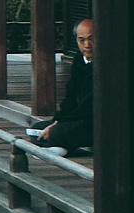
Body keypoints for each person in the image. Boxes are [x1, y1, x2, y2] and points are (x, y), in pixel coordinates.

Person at [27, 17, 94, 155]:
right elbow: (71, 95)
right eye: (82, 40)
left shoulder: (107, 62)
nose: (87, 45)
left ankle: (60, 146)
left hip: (94, 120)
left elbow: (89, 104)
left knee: (56, 132)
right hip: (76, 118)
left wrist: (61, 123)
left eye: (91, 39)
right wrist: (58, 120)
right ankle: (61, 146)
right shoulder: (78, 59)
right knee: (37, 129)